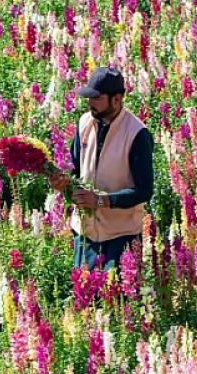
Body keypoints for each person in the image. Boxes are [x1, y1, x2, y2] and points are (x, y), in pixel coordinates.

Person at [47, 66, 154, 271]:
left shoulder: (136, 134)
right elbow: (74, 169)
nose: (90, 103)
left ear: (116, 99)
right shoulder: (84, 123)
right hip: (85, 233)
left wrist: (101, 200)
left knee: (116, 299)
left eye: (96, 98)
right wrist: (62, 183)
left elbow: (144, 191)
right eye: (89, 97)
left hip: (120, 237)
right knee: (85, 299)